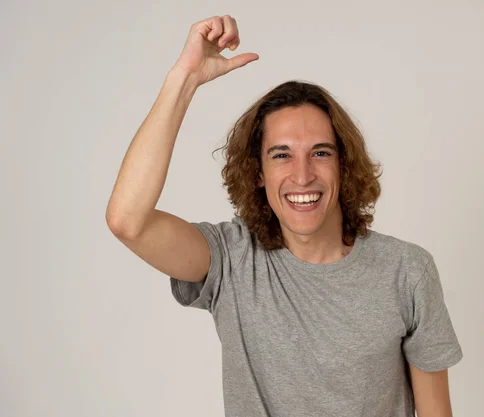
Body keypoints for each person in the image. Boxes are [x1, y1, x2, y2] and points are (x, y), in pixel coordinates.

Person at [106, 15, 463, 417]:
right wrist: (185, 79)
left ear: (344, 165)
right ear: (257, 172)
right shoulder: (231, 259)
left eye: (321, 153)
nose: (303, 175)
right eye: (282, 155)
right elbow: (128, 220)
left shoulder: (407, 271)